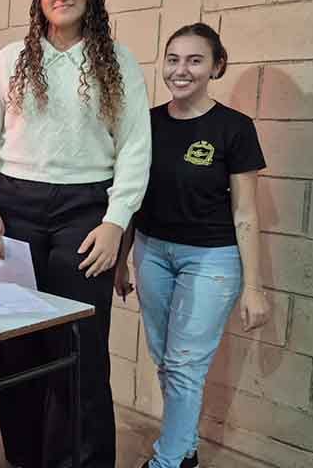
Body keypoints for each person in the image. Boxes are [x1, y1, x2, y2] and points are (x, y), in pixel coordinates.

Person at [0, 0, 151, 468]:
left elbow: (136, 147)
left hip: (85, 213)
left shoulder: (117, 62)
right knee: (19, 342)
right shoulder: (11, 60)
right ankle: (24, 457)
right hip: (15, 208)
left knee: (80, 346)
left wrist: (116, 222)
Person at [115, 23, 270, 468]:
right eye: (173, 59)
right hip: (151, 252)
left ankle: (167, 460)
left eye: (195, 60)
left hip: (212, 259)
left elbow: (246, 213)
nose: (181, 70)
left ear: (216, 66)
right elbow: (130, 198)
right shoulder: (145, 124)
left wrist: (254, 287)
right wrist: (123, 260)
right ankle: (185, 449)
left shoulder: (235, 129)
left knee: (184, 365)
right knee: (166, 360)